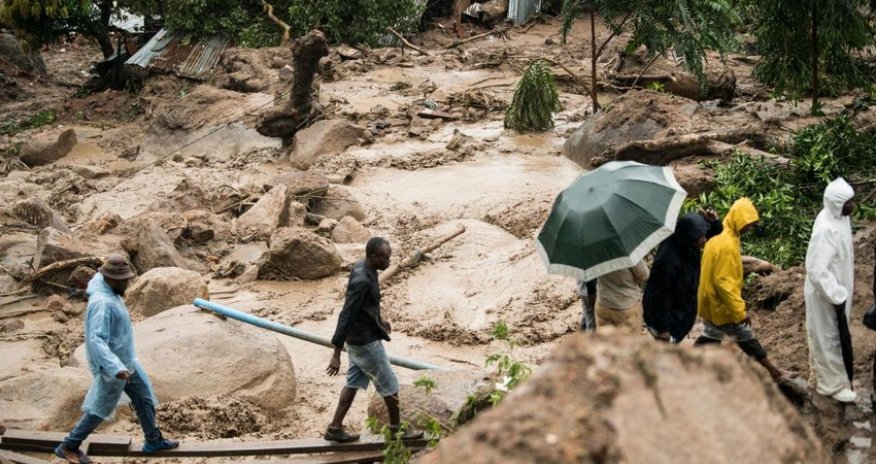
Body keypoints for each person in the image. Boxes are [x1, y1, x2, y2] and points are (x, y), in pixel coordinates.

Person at [55, 255, 178, 464]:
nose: (128, 283)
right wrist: (115, 368)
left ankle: (153, 440)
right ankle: (69, 445)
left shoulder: (108, 291)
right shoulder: (102, 303)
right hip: (112, 365)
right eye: (124, 280)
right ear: (111, 279)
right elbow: (96, 340)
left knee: (144, 397)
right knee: (100, 407)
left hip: (126, 361)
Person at [325, 237, 423, 442]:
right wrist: (336, 353)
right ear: (373, 256)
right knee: (391, 384)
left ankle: (334, 428)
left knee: (352, 383)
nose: (389, 261)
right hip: (364, 342)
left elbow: (367, 305)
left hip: (358, 339)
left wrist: (380, 319)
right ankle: (397, 430)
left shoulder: (365, 267)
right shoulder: (362, 280)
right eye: (386, 258)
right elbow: (347, 313)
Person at [694, 198, 788, 382]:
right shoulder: (727, 244)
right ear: (738, 220)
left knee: (711, 336)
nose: (749, 229)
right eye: (748, 224)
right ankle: (775, 372)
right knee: (744, 335)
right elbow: (724, 282)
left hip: (710, 300)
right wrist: (739, 310)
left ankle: (685, 363)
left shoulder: (721, 237)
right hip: (721, 304)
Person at [804, 178, 857, 402]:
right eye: (848, 202)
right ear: (836, 203)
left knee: (828, 335)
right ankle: (831, 386)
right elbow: (816, 269)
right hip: (826, 294)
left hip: (837, 290)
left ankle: (819, 375)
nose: (852, 206)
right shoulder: (826, 229)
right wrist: (836, 294)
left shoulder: (839, 218)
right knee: (829, 338)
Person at [643, 210, 722, 343]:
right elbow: (661, 296)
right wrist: (663, 329)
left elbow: (713, 234)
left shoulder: (687, 242)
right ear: (690, 237)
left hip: (681, 311)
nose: (704, 240)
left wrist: (713, 222)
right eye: (700, 237)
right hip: (667, 319)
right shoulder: (668, 261)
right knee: (662, 356)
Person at [595, 260, 649, 333]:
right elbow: (644, 275)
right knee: (628, 342)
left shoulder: (596, 253)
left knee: (606, 342)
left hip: (603, 304)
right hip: (626, 306)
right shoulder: (628, 254)